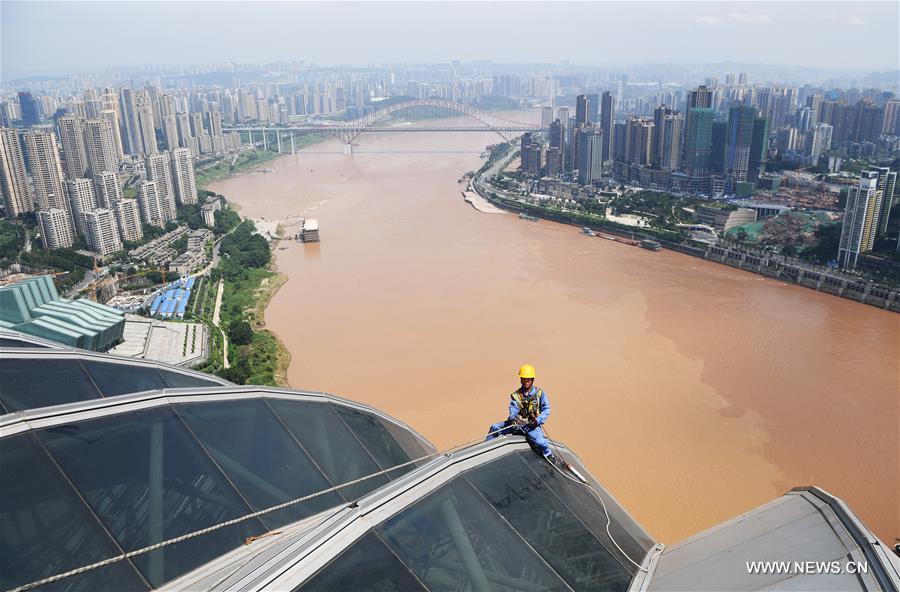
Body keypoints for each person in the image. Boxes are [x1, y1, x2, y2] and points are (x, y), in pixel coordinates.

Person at [486, 364, 555, 462]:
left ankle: (548, 454)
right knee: (495, 428)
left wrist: (537, 420)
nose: (526, 382)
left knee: (541, 442)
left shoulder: (540, 393)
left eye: (528, 379)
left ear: (532, 379)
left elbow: (546, 409)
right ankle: (486, 449)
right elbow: (513, 408)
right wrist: (513, 418)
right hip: (517, 424)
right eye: (523, 379)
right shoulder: (516, 395)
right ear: (520, 379)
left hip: (531, 426)